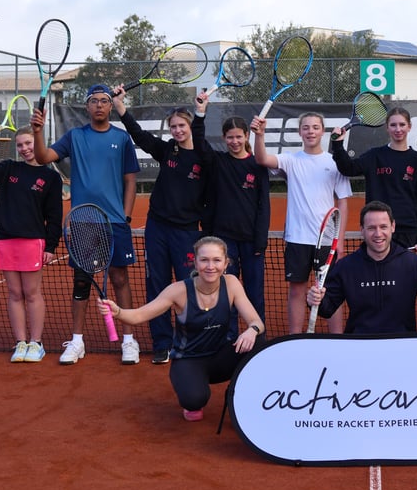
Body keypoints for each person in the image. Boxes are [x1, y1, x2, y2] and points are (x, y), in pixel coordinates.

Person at [97, 237, 266, 422]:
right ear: (195, 262)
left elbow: (256, 321)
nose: (211, 266)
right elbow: (139, 315)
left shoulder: (232, 283)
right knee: (194, 400)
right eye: (204, 260)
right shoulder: (178, 291)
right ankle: (189, 387)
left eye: (216, 260)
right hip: (189, 360)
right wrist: (118, 311)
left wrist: (252, 329)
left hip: (221, 357)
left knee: (258, 340)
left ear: (225, 263)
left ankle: (235, 395)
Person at [33, 84, 140, 365]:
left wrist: (126, 217)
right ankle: (77, 341)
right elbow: (44, 158)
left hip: (115, 221)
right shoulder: (74, 137)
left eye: (105, 101)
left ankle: (129, 341)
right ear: (87, 107)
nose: (100, 106)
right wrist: (37, 131)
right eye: (94, 101)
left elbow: (131, 180)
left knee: (119, 279)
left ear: (109, 106)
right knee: (81, 281)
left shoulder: (122, 138)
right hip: (82, 221)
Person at [114, 89, 208, 364]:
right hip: (157, 228)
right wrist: (120, 106)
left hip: (188, 232)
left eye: (182, 125)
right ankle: (162, 343)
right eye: (174, 126)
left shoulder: (205, 157)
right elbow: (140, 136)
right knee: (156, 284)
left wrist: (201, 111)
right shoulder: (168, 150)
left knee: (188, 287)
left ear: (191, 126)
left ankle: (189, 340)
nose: (178, 130)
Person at [251, 111, 352, 334]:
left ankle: (337, 339)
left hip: (327, 240)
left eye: (315, 127)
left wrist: (340, 240)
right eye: (306, 127)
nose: (310, 131)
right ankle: (295, 339)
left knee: (329, 292)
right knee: (297, 291)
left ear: (322, 131)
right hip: (297, 238)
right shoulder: (290, 160)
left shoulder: (335, 163)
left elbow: (342, 202)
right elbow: (262, 159)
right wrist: (259, 135)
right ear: (299, 132)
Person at [0, 126, 64, 362]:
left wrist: (50, 246)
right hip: (6, 239)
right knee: (14, 293)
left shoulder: (51, 178)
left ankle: (36, 343)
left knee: (32, 293)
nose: (25, 149)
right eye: (20, 145)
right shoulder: (8, 168)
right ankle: (21, 343)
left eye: (29, 143)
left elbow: (54, 216)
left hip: (32, 242)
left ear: (37, 142)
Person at [307, 201, 417, 333]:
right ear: (362, 230)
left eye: (383, 227)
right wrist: (315, 300)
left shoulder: (412, 263)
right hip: (359, 344)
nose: (378, 234)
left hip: (402, 344)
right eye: (371, 228)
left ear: (393, 227)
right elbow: (327, 309)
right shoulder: (346, 267)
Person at [195, 92, 270, 339]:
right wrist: (201, 112)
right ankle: (227, 339)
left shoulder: (258, 165)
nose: (234, 141)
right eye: (230, 138)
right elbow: (198, 140)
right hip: (224, 243)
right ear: (224, 138)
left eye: (239, 137)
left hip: (251, 243)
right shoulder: (218, 162)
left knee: (254, 293)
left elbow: (263, 206)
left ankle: (256, 338)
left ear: (246, 136)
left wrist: (260, 242)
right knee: (226, 292)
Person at [330, 106, 417, 250]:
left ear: (409, 126)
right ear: (387, 128)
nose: (398, 129)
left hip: (407, 230)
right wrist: (338, 145)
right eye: (393, 125)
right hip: (377, 228)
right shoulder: (374, 155)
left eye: (402, 124)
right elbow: (348, 169)